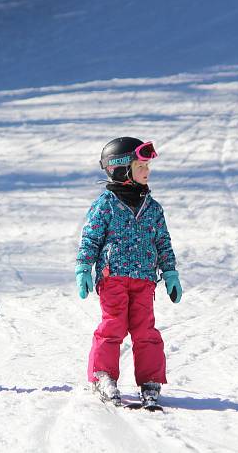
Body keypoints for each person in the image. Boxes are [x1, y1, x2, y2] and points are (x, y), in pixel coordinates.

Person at [75, 137, 182, 406]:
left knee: (145, 331)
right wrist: (83, 268)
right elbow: (90, 238)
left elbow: (163, 242)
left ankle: (150, 381)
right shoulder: (106, 204)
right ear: (122, 169)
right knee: (113, 327)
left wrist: (170, 273)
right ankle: (102, 375)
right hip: (113, 279)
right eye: (141, 166)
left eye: (147, 166)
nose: (147, 171)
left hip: (144, 280)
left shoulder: (153, 208)